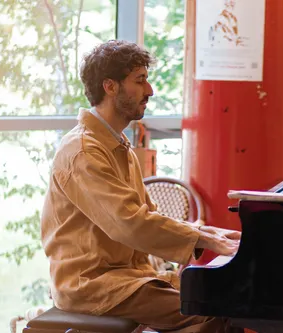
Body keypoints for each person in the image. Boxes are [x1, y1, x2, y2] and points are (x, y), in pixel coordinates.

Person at [41, 39, 242, 333]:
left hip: (127, 277)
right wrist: (203, 239)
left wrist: (207, 232)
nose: (150, 91)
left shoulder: (116, 144)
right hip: (93, 284)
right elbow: (130, 224)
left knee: (218, 300)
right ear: (110, 87)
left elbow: (146, 214)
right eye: (140, 81)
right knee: (208, 312)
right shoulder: (84, 151)